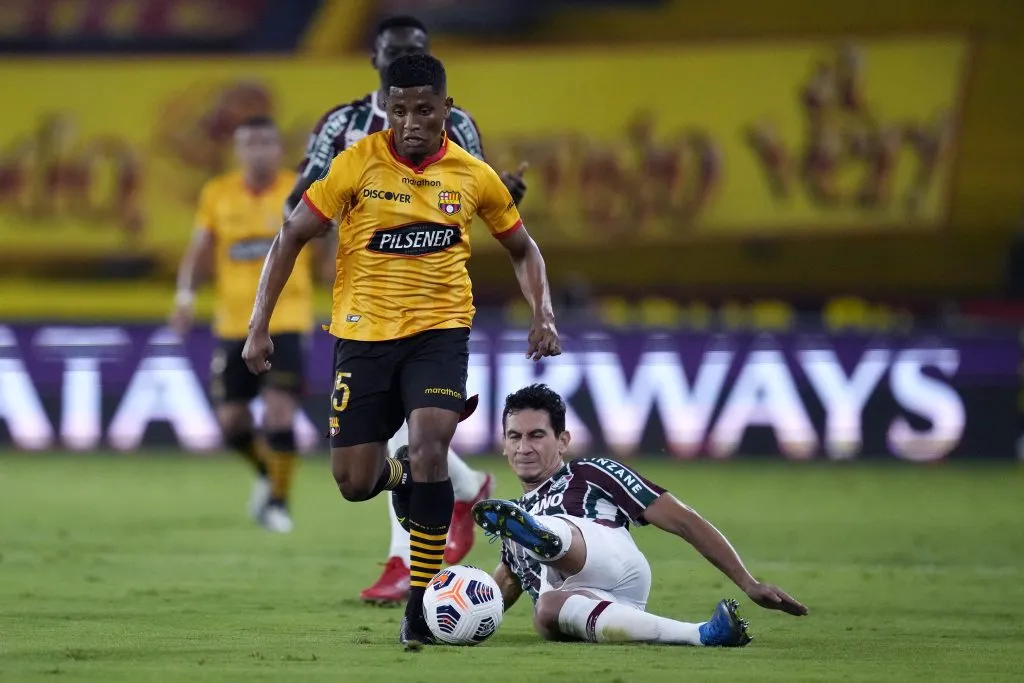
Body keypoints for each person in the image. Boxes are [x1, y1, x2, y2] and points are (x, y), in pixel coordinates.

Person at [243, 53, 561, 646]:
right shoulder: (354, 165)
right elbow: (290, 237)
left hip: (438, 335)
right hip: (362, 339)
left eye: (423, 109)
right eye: (399, 110)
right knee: (356, 482)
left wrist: (542, 313)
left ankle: (419, 602)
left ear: (446, 109)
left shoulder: (472, 175)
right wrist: (259, 324)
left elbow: (523, 246)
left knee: (431, 444)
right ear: (386, 109)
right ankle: (418, 483)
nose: (411, 121)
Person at [285, 15, 521, 603]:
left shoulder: (456, 122)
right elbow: (302, 197)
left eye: (416, 51)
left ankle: (406, 567)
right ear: (375, 59)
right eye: (395, 52)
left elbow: (473, 190)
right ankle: (464, 491)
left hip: (432, 301)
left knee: (413, 437)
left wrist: (505, 196)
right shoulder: (343, 126)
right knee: (376, 461)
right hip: (364, 296)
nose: (405, 58)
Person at [473, 384, 809, 646]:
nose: (523, 447)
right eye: (514, 436)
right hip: (593, 603)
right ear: (503, 444)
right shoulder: (509, 528)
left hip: (611, 561)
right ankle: (704, 634)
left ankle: (549, 537)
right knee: (545, 612)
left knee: (553, 535)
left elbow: (683, 519)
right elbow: (502, 586)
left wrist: (748, 583)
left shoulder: (592, 472)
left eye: (536, 435)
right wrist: (451, 618)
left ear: (563, 441)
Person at [171, 115, 331, 533]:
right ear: (238, 150)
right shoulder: (217, 193)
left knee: (279, 411)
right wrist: (185, 297)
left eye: (266, 143)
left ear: (279, 150)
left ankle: (278, 503)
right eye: (250, 143)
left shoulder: (297, 192)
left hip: (288, 320)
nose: (258, 151)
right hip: (232, 325)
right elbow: (200, 249)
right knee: (231, 422)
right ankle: (266, 472)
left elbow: (328, 244)